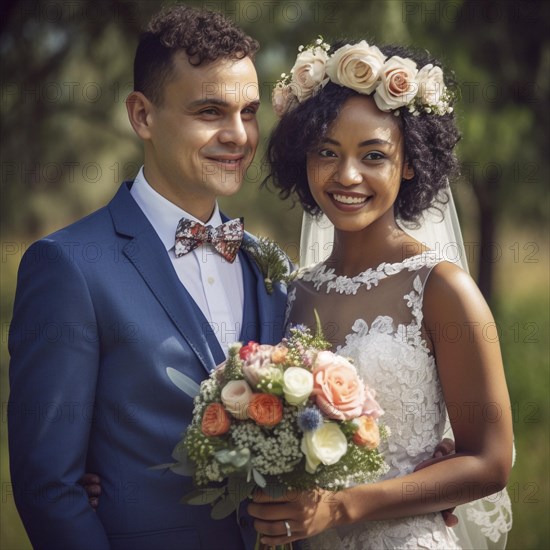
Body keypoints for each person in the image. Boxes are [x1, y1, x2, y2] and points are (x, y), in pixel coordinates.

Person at [7, 5, 288, 549]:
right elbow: (49, 489)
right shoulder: (68, 266)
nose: (238, 135)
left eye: (249, 112)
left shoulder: (270, 266)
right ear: (142, 116)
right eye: (210, 111)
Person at [247, 38, 514, 549]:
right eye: (327, 152)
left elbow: (491, 463)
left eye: (373, 155)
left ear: (409, 163)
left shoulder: (442, 288)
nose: (347, 175)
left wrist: (342, 508)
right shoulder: (293, 293)